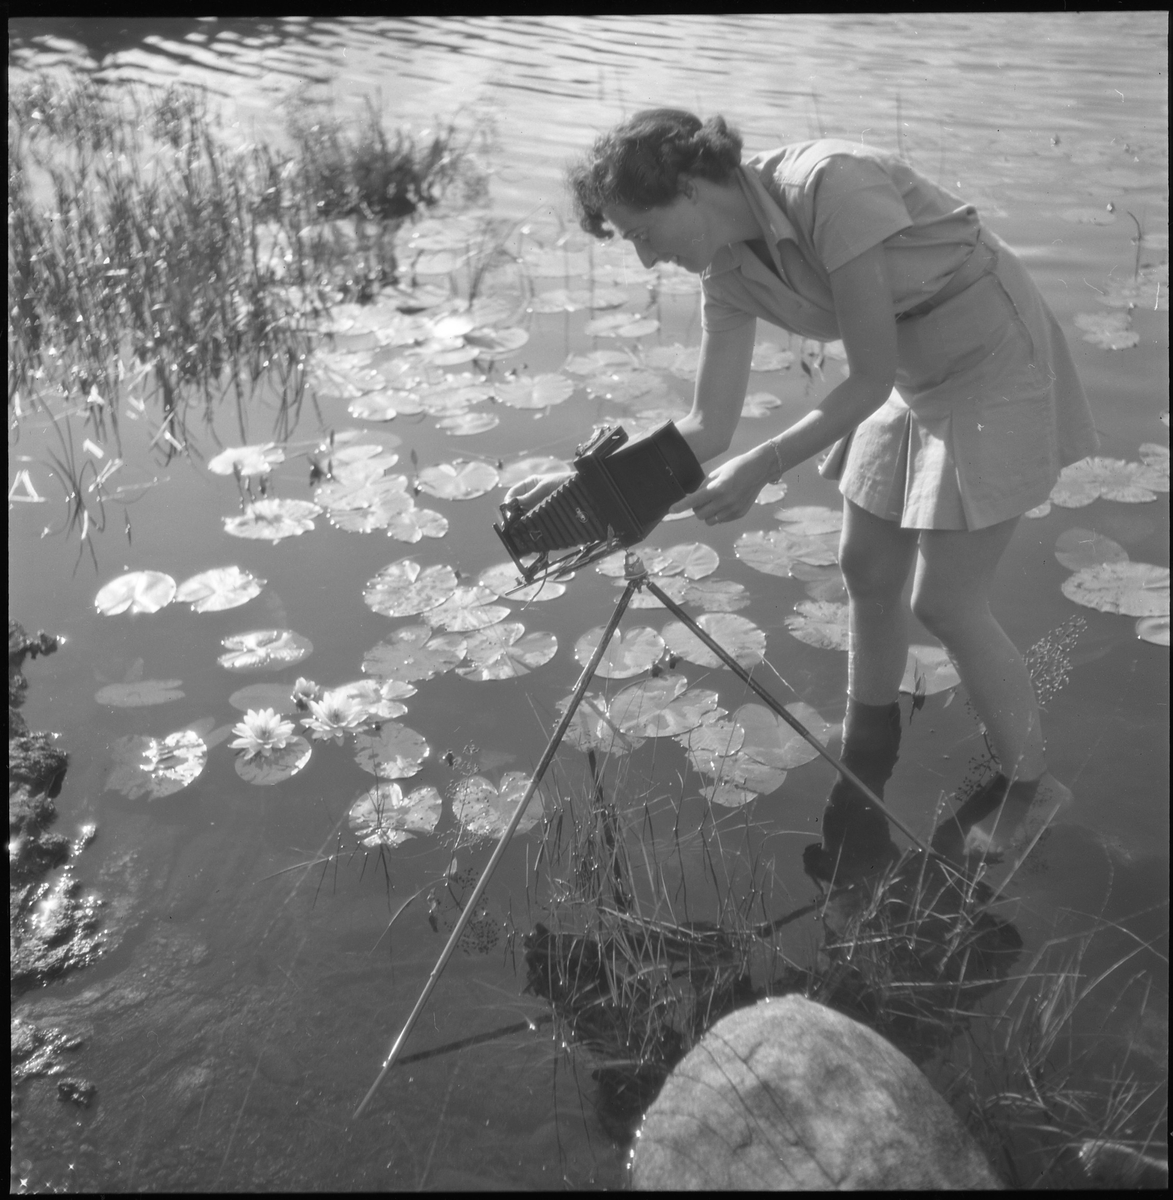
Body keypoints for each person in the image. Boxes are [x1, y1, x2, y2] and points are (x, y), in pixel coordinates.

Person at [505, 108, 1097, 881]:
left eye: (643, 233)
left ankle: (1031, 787)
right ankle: (867, 739)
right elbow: (706, 424)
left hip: (987, 355)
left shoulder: (830, 185)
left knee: (946, 602)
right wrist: (583, 488)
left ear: (688, 188)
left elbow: (865, 377)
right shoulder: (725, 267)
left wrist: (766, 464)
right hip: (909, 374)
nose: (646, 259)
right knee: (864, 568)